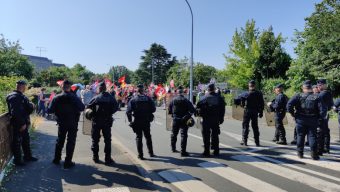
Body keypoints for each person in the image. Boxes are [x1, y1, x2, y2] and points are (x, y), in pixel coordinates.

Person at [48, 80, 85, 169]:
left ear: (62, 87)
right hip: (73, 122)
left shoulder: (57, 97)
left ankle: (57, 159)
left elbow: (50, 110)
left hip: (62, 122)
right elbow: (82, 108)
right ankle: (68, 162)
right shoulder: (74, 97)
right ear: (70, 87)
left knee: (60, 141)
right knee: (71, 142)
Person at [287, 80, 326, 160]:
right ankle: (314, 154)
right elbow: (323, 110)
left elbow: (289, 105)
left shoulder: (298, 96)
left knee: (300, 136)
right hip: (313, 119)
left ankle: (300, 153)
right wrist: (319, 118)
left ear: (303, 88)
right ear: (311, 88)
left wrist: (293, 114)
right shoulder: (317, 97)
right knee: (312, 137)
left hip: (300, 119)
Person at [6, 80, 38, 166]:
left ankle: (27, 156)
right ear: (23, 87)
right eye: (25, 87)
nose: (26, 88)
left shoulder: (19, 96)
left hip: (23, 122)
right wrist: (22, 123)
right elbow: (15, 112)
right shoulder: (15, 97)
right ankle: (18, 161)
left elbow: (25, 108)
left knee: (25, 140)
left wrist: (31, 105)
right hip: (19, 124)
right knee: (17, 142)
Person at [87, 82, 118, 165]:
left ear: (100, 88)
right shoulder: (111, 98)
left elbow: (88, 107)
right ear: (105, 88)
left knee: (95, 140)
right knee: (107, 140)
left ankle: (95, 157)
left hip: (96, 121)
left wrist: (93, 114)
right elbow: (116, 107)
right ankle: (107, 158)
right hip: (107, 121)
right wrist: (109, 113)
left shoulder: (96, 98)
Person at [126, 84, 156, 160]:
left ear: (137, 90)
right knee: (148, 136)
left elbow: (128, 112)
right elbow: (153, 109)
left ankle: (140, 155)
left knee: (139, 137)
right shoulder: (148, 98)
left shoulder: (133, 99)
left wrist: (130, 121)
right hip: (146, 120)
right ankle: (151, 153)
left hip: (137, 120)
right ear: (143, 90)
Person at [196, 83, 226, 157]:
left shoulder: (204, 98)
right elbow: (223, 109)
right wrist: (221, 118)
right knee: (215, 135)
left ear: (208, 89)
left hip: (206, 119)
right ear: (214, 89)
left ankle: (207, 151)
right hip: (216, 119)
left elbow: (197, 107)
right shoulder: (219, 98)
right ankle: (216, 150)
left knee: (206, 135)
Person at [234, 80, 264, 146]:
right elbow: (262, 104)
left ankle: (244, 141)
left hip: (247, 111)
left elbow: (236, 101)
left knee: (245, 126)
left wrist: (239, 102)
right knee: (255, 127)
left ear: (249, 86)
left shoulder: (245, 94)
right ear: (255, 85)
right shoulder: (259, 93)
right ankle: (257, 142)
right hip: (255, 111)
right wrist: (261, 112)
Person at [168, 86, 196, 157]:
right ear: (183, 93)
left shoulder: (173, 100)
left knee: (174, 134)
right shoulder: (186, 100)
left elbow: (169, 110)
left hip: (175, 119)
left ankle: (173, 148)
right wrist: (188, 116)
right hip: (184, 120)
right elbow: (192, 110)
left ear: (177, 93)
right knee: (184, 135)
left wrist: (173, 116)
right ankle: (183, 152)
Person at [316, 79, 334, 155]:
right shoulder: (328, 93)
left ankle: (320, 149)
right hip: (325, 115)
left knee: (320, 132)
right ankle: (325, 148)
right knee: (325, 131)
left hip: (321, 115)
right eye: (318, 85)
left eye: (320, 85)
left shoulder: (322, 94)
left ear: (324, 85)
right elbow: (330, 105)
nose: (318, 87)